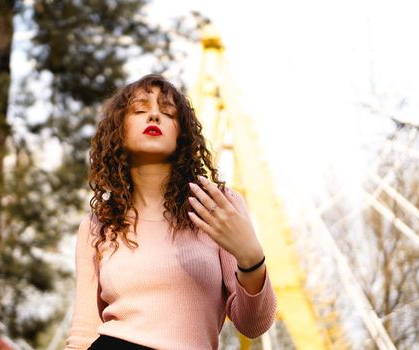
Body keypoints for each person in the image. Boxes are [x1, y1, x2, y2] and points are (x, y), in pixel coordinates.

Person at [65, 74, 277, 350]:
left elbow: (254, 324)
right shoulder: (98, 224)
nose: (154, 116)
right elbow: (83, 333)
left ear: (182, 134)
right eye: (140, 110)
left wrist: (252, 258)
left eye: (168, 113)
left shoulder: (216, 205)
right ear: (118, 129)